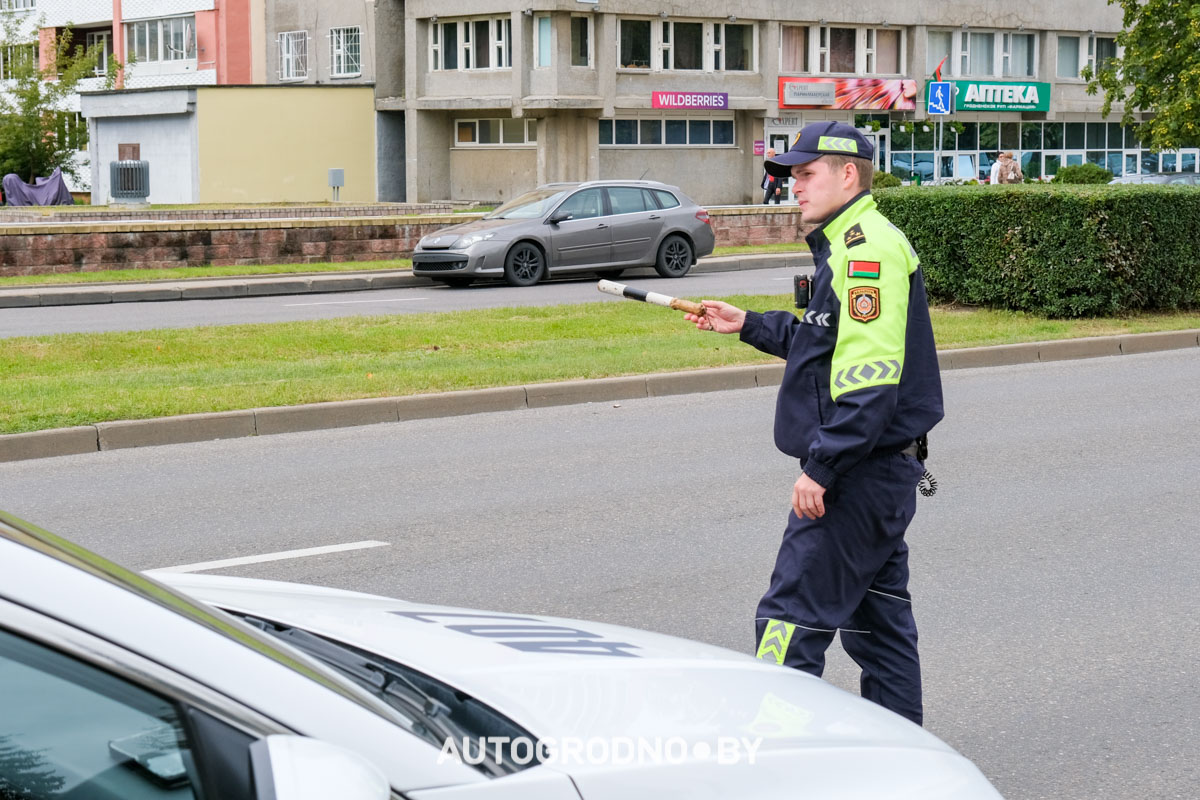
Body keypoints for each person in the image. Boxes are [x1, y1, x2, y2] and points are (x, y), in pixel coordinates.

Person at [683, 120, 944, 726]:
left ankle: (776, 766)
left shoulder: (864, 252)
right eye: (791, 175)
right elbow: (827, 342)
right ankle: (904, 766)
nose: (794, 187)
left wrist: (823, 467)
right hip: (880, 473)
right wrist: (746, 322)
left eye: (806, 174)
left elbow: (872, 378)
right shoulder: (855, 243)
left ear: (847, 174)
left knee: (787, 621)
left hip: (856, 476)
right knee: (878, 628)